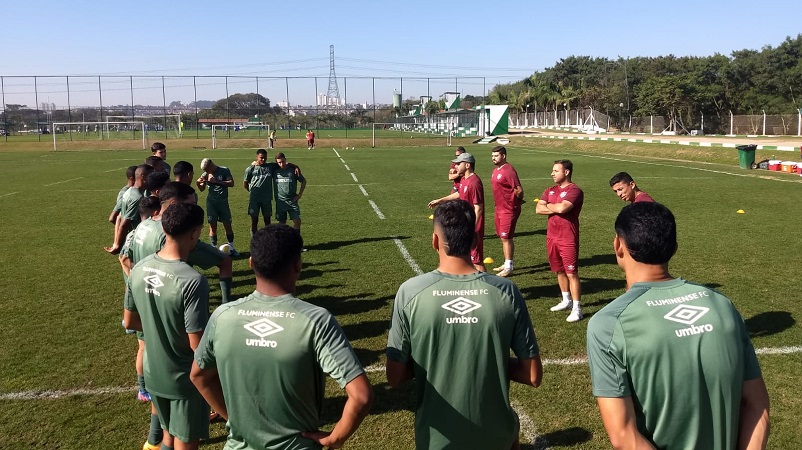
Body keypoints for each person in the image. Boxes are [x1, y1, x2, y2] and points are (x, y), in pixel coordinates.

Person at [587, 202, 770, 450]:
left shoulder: (608, 324)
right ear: (674, 248)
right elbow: (757, 405)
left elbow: (623, 435)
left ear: (618, 245)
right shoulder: (721, 304)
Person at [191, 224, 373, 449]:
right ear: (298, 265)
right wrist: (335, 439)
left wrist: (233, 418)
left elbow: (199, 376)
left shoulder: (222, 316)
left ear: (251, 264)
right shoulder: (316, 320)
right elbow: (361, 396)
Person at [386, 199, 542, 450]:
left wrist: (435, 359)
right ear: (475, 241)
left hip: (437, 440)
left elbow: (394, 376)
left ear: (435, 241)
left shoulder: (410, 292)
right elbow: (532, 375)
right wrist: (489, 359)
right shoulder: (506, 291)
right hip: (496, 437)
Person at [124, 203, 211, 450]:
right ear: (195, 233)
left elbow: (129, 321)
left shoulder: (139, 268)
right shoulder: (192, 281)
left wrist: (158, 328)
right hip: (183, 378)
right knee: (184, 441)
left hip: (153, 372)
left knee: (167, 438)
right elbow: (197, 344)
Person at [536, 160, 584, 322]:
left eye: (556, 171)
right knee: (559, 270)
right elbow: (538, 209)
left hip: (567, 237)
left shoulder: (575, 190)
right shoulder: (549, 190)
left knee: (571, 273)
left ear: (567, 172)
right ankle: (566, 300)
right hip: (552, 236)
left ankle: (577, 308)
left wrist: (549, 205)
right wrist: (555, 206)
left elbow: (564, 208)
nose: (552, 173)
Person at [428, 152, 486, 272]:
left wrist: (472, 227)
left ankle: (485, 282)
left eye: (459, 163)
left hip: (472, 226)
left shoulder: (475, 182)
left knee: (476, 260)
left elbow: (478, 208)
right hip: (464, 224)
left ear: (468, 165)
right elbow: (459, 193)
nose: (456, 166)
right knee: (465, 257)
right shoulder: (464, 179)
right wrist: (440, 200)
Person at [490, 146, 524, 277]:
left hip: (508, 209)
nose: (493, 158)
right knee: (502, 236)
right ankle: (506, 263)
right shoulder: (496, 170)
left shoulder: (508, 170)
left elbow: (519, 190)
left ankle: (509, 267)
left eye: (496, 156)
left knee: (506, 237)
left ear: (503, 156)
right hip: (499, 208)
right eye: (492, 156)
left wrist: (515, 202)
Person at [106, 164, 154, 254]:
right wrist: (118, 245)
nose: (152, 180)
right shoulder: (138, 197)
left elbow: (119, 217)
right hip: (135, 241)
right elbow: (124, 223)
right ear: (143, 177)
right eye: (151, 176)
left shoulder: (128, 191)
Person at [197, 158, 238, 256]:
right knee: (213, 227)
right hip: (211, 203)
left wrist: (215, 181)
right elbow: (202, 189)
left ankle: (231, 248)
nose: (206, 172)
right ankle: (214, 250)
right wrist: (199, 184)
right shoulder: (205, 174)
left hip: (223, 202)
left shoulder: (224, 170)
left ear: (211, 165)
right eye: (205, 171)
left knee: (227, 225)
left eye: (207, 169)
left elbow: (231, 183)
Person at [273, 152, 306, 231]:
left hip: (292, 201)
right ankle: (284, 239)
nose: (281, 164)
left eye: (283, 161)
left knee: (297, 221)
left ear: (285, 160)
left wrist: (299, 195)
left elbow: (303, 181)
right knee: (282, 224)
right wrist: (254, 163)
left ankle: (295, 238)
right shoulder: (274, 170)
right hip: (280, 202)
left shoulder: (293, 170)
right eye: (279, 162)